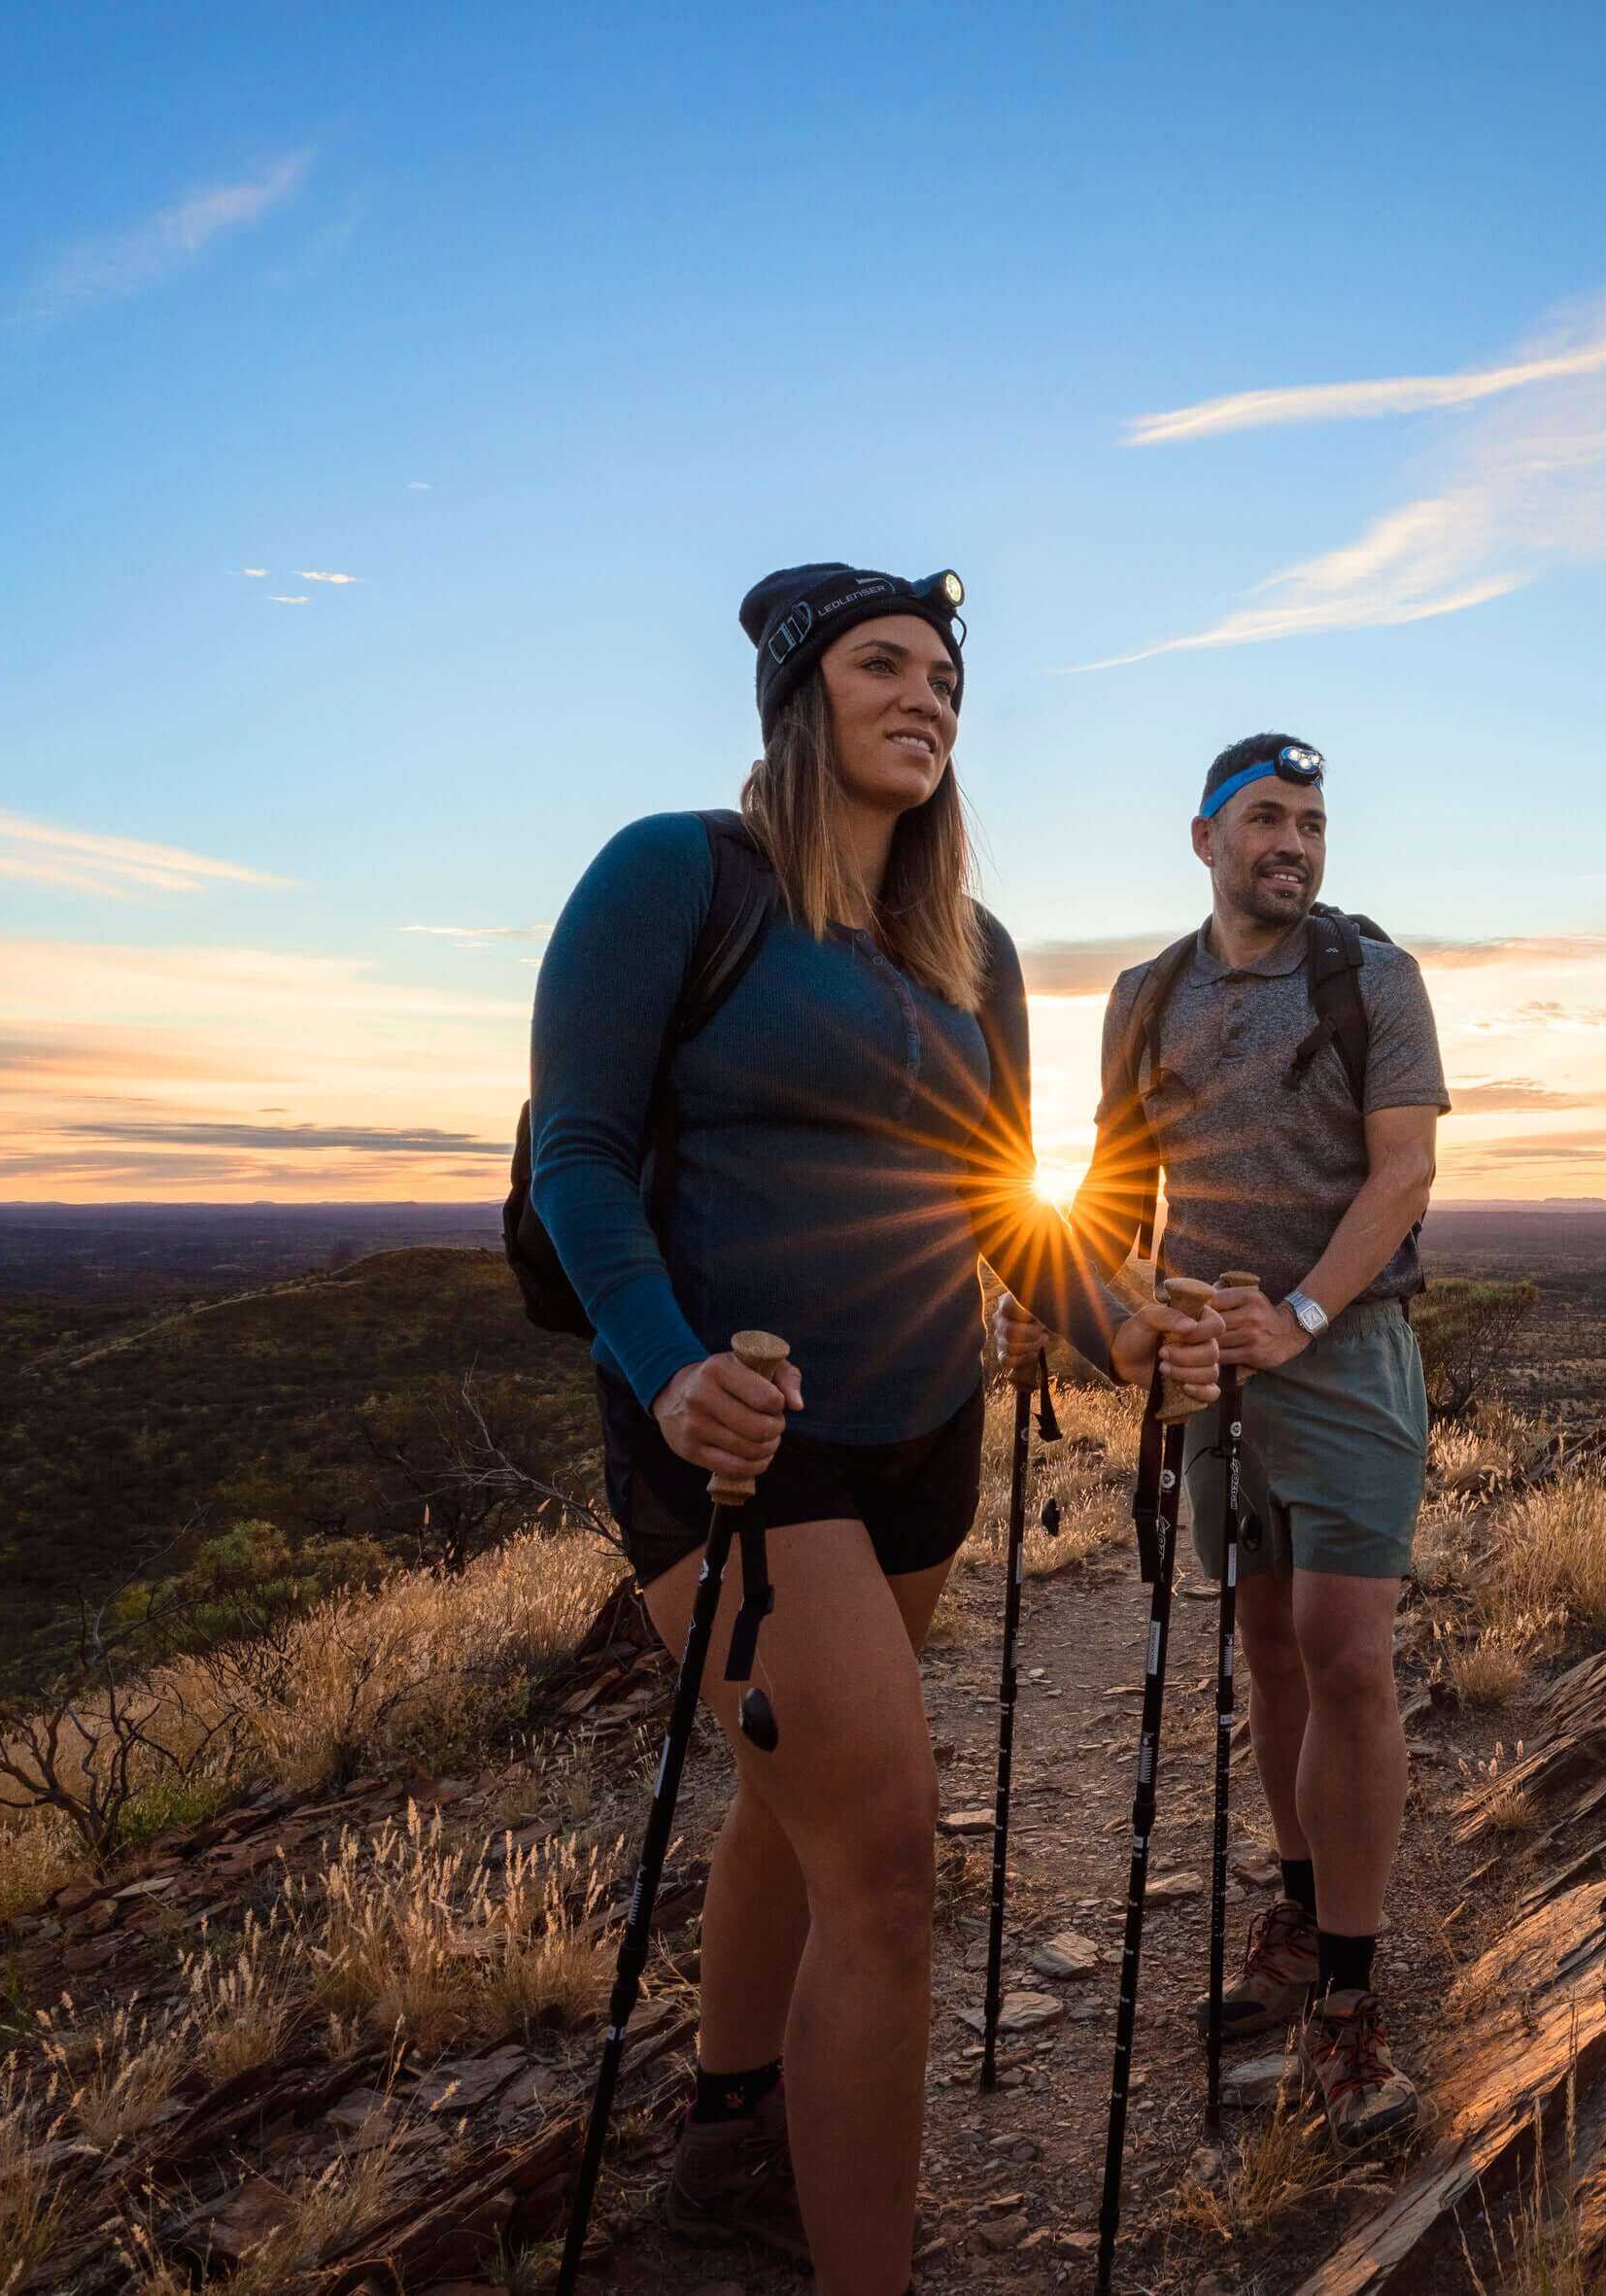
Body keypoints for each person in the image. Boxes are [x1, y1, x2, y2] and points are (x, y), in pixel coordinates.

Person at [527, 563, 1216, 2296]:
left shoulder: (970, 950)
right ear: (797, 697)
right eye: (882, 666)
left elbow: (995, 1201)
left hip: (923, 1435)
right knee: (892, 1860)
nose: (928, 698)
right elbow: (582, 1157)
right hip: (742, 1438)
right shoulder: (678, 877)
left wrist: (1115, 1321)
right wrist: (673, 1369)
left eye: (948, 680)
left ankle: (727, 2129)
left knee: (802, 1807)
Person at [1003, 731, 1448, 2142]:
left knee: (1349, 1655)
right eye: (1267, 819)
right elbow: (1119, 1174)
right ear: (1203, 839)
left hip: (1343, 1349)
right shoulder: (1146, 997)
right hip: (1202, 1355)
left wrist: (1305, 1313)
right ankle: (1304, 1920)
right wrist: (1055, 1290)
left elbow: (1406, 1170)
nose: (1295, 846)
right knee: (1266, 1646)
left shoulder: (1371, 976)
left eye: (1312, 823)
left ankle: (1351, 2006)